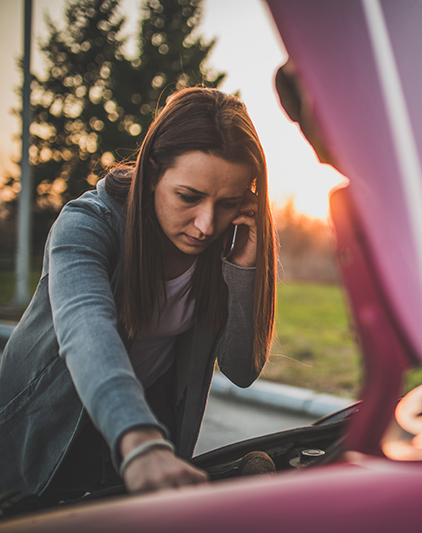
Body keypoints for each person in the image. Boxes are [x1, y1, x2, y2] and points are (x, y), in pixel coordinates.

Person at [0, 87, 276, 500]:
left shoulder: (223, 246)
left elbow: (241, 369)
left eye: (227, 203)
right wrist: (139, 438)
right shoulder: (87, 225)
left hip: (137, 452)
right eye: (189, 196)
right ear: (151, 173)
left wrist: (242, 267)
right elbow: (86, 330)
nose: (205, 224)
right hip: (43, 444)